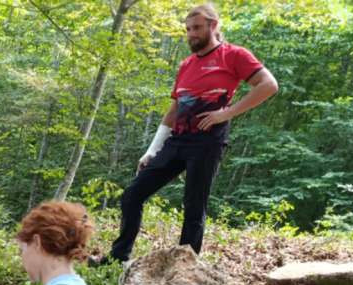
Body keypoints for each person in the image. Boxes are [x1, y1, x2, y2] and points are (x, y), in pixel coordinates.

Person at [104, 3, 278, 264]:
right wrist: (152, 150)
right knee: (133, 194)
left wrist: (226, 113)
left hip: (207, 142)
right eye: (187, 29)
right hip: (178, 141)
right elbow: (174, 108)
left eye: (196, 28)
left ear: (213, 26)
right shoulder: (186, 64)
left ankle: (184, 267)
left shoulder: (234, 55)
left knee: (194, 206)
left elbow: (269, 85)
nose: (191, 34)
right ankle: (119, 258)